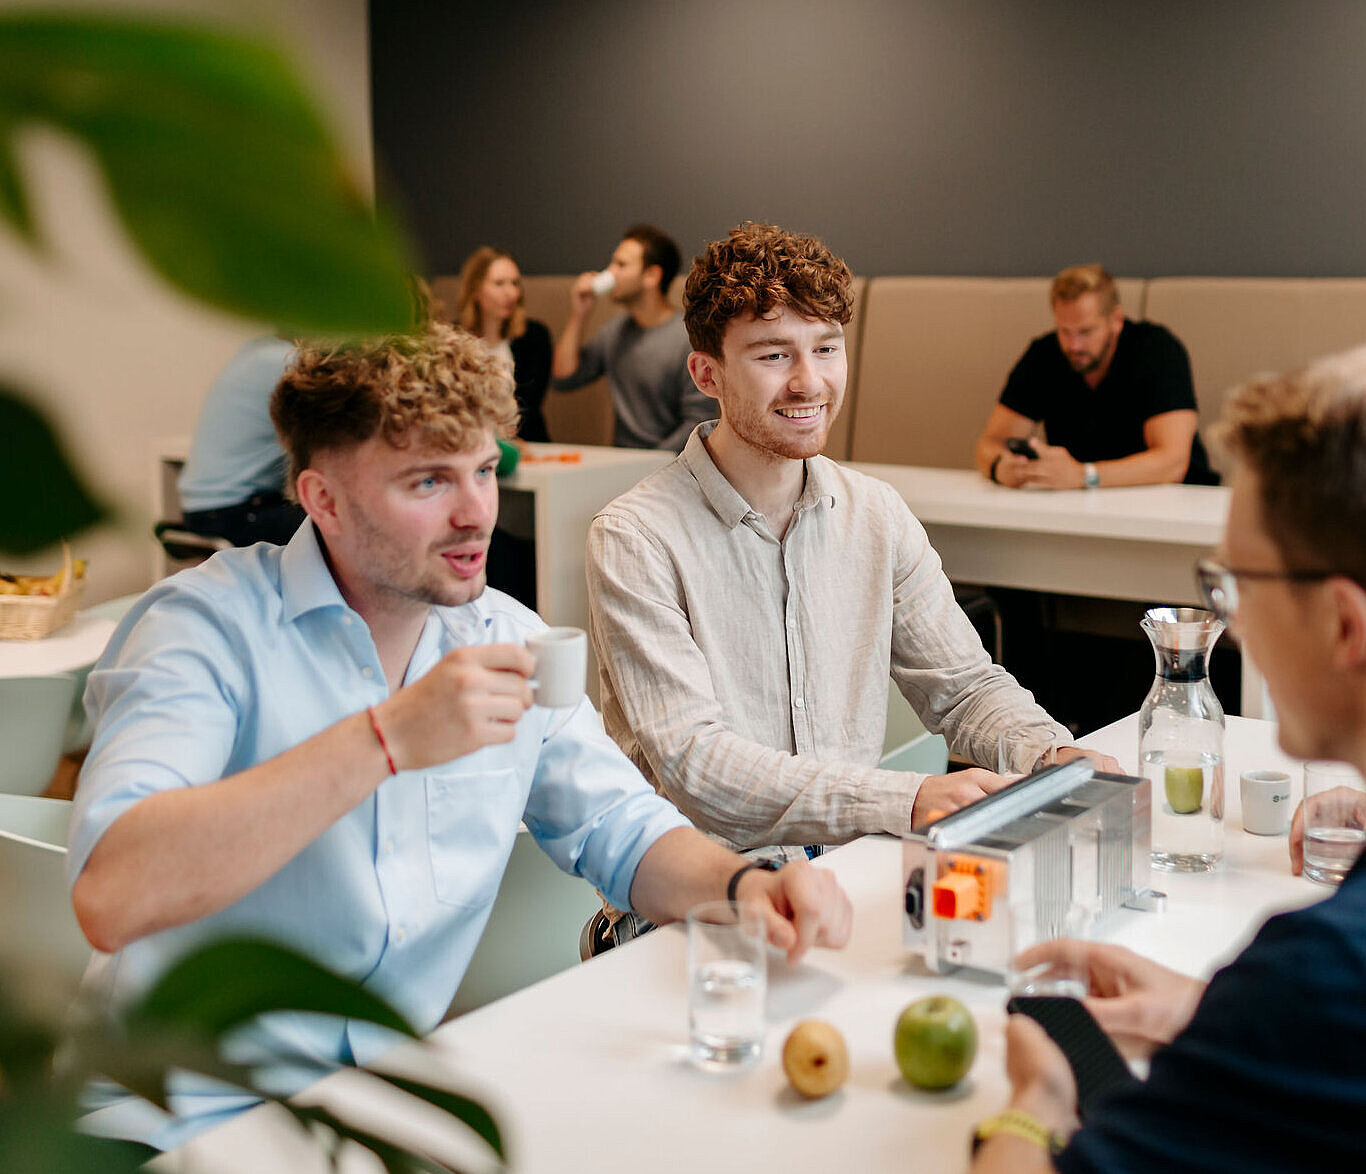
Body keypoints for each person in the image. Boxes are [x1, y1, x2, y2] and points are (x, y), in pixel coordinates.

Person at [68, 322, 851, 1149]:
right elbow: (113, 894)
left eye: (483, 469)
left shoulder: (504, 638)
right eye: (428, 481)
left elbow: (620, 829)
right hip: (174, 1122)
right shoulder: (202, 630)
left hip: (376, 1115)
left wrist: (741, 889)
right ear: (322, 498)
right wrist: (387, 739)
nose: (478, 511)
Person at [585, 222, 1115, 945]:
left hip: (848, 883)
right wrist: (911, 799)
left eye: (826, 349)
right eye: (774, 355)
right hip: (693, 909)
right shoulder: (635, 537)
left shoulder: (877, 515)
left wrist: (1048, 752)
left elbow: (962, 688)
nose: (810, 382)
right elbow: (695, 766)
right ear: (707, 375)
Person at [969, 345, 1366, 1171]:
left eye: (1239, 586)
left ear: (1343, 625)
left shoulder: (1322, 969)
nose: (1236, 623)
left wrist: (1034, 1102)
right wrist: (1212, 1016)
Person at [975, 264, 1218, 490]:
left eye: (1085, 331)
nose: (1074, 345)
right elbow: (990, 443)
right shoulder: (1044, 355)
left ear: (1116, 320)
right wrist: (1001, 466)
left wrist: (1083, 475)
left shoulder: (1158, 350)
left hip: (1179, 504)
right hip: (1083, 509)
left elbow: (1172, 463)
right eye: (1064, 331)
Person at [551, 223, 713, 452]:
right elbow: (563, 379)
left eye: (621, 265)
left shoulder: (688, 338)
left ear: (651, 275)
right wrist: (580, 313)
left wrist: (651, 468)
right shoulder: (616, 331)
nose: (610, 273)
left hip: (670, 469)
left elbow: (698, 422)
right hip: (623, 465)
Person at [176, 334, 305, 546]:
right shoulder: (286, 361)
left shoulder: (256, 350)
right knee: (332, 521)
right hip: (234, 512)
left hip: (201, 507)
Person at [454, 246, 554, 442]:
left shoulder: (534, 336)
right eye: (499, 284)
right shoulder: (453, 339)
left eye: (515, 283)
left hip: (526, 443)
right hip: (469, 444)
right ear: (475, 290)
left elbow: (530, 405)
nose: (511, 293)